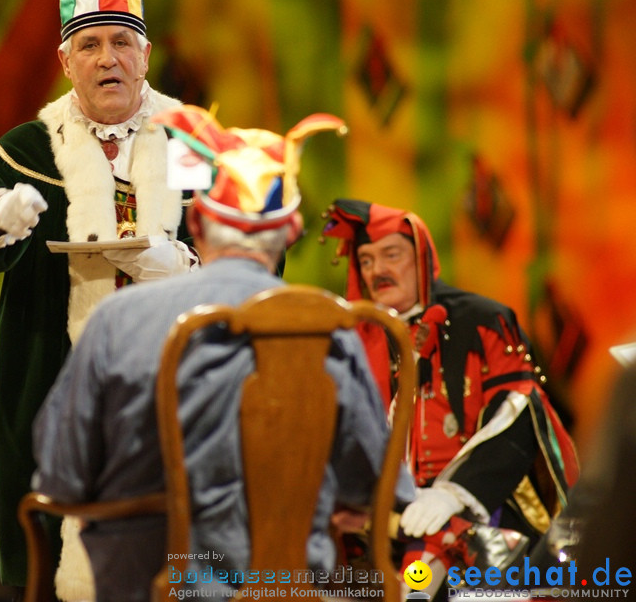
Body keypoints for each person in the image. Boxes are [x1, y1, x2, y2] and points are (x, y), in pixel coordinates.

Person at [32, 106, 412, 601]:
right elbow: (377, 487)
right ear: (292, 230)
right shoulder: (333, 328)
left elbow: (61, 476)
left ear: (198, 221)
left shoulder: (117, 321)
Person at [0, 0, 196, 593]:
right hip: (49, 400)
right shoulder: (24, 151)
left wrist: (184, 267)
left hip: (170, 408)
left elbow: (253, 257)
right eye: (90, 45)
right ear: (65, 62)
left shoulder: (193, 150)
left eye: (121, 42)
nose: (107, 58)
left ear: (146, 55)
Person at [320, 199, 579, 585]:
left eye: (391, 255)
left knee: (421, 577)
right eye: (367, 260)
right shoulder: (354, 339)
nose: (378, 271)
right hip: (381, 516)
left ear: (422, 258)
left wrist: (453, 494)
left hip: (480, 507)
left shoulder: (482, 321)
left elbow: (516, 414)